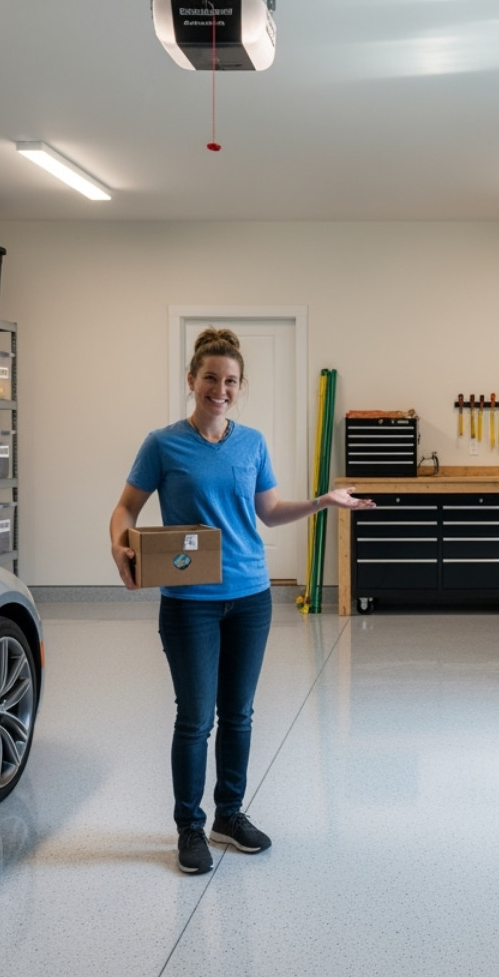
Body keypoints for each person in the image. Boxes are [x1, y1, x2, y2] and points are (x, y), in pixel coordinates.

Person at [109, 327, 373, 875]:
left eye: (230, 381)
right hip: (189, 603)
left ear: (239, 386)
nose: (220, 389)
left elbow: (270, 512)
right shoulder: (163, 444)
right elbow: (126, 508)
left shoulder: (251, 443)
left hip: (250, 598)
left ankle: (228, 815)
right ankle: (189, 826)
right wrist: (120, 546)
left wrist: (325, 499)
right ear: (191, 380)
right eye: (210, 378)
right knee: (195, 718)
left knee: (240, 715)